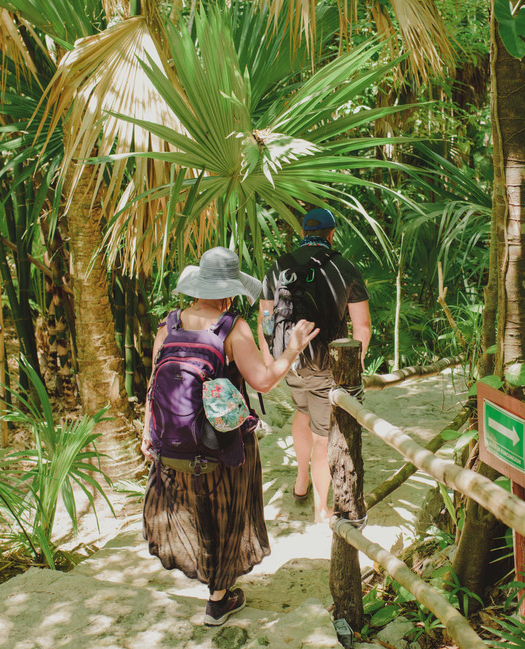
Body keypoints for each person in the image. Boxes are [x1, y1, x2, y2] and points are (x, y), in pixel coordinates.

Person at [140, 247, 318, 627]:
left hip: (171, 448)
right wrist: (292, 349)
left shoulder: (167, 325)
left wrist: (147, 433)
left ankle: (213, 586)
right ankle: (218, 599)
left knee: (195, 510)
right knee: (227, 511)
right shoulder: (232, 328)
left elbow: (155, 383)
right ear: (231, 291)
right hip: (222, 446)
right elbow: (265, 382)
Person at [258, 208, 371, 523]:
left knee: (302, 412)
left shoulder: (279, 267)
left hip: (290, 363)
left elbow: (265, 317)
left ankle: (301, 481)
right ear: (331, 234)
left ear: (303, 234)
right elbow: (362, 327)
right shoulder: (344, 267)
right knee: (323, 436)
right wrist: (353, 368)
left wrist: (273, 360)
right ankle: (322, 510)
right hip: (327, 366)